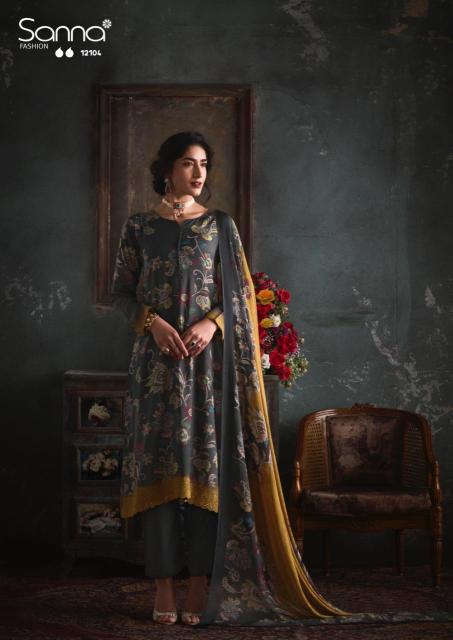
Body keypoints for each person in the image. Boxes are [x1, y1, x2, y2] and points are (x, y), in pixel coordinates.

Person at [111, 131, 352, 627]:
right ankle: (163, 584)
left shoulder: (220, 225)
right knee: (156, 472)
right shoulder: (139, 226)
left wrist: (211, 323)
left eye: (204, 164)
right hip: (155, 369)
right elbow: (120, 294)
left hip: (208, 369)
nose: (198, 173)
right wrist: (153, 323)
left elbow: (239, 292)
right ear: (166, 169)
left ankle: (200, 583)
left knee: (206, 472)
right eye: (187, 163)